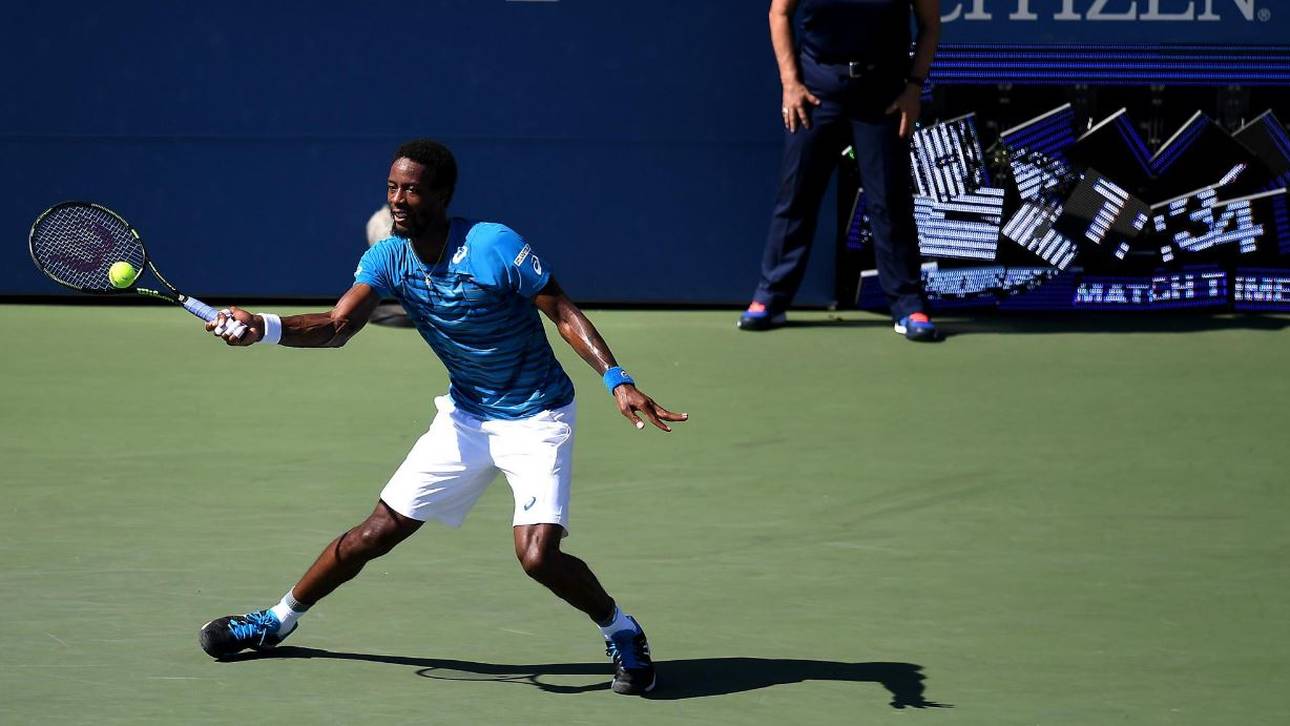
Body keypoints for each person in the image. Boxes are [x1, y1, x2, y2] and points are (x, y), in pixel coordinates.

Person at [197, 139, 688, 696]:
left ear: (442, 195)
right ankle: (276, 621)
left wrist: (616, 379)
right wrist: (264, 327)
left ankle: (621, 630)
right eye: (391, 188)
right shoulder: (388, 257)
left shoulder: (492, 245)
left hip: (537, 415)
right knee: (373, 534)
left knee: (537, 557)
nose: (397, 200)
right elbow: (337, 326)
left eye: (411, 189)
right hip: (466, 417)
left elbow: (562, 310)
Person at [738, 0, 941, 341]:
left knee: (889, 202)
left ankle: (908, 306)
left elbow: (930, 25)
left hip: (882, 94)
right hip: (816, 91)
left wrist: (914, 87)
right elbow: (779, 12)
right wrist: (790, 82)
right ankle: (770, 299)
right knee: (797, 196)